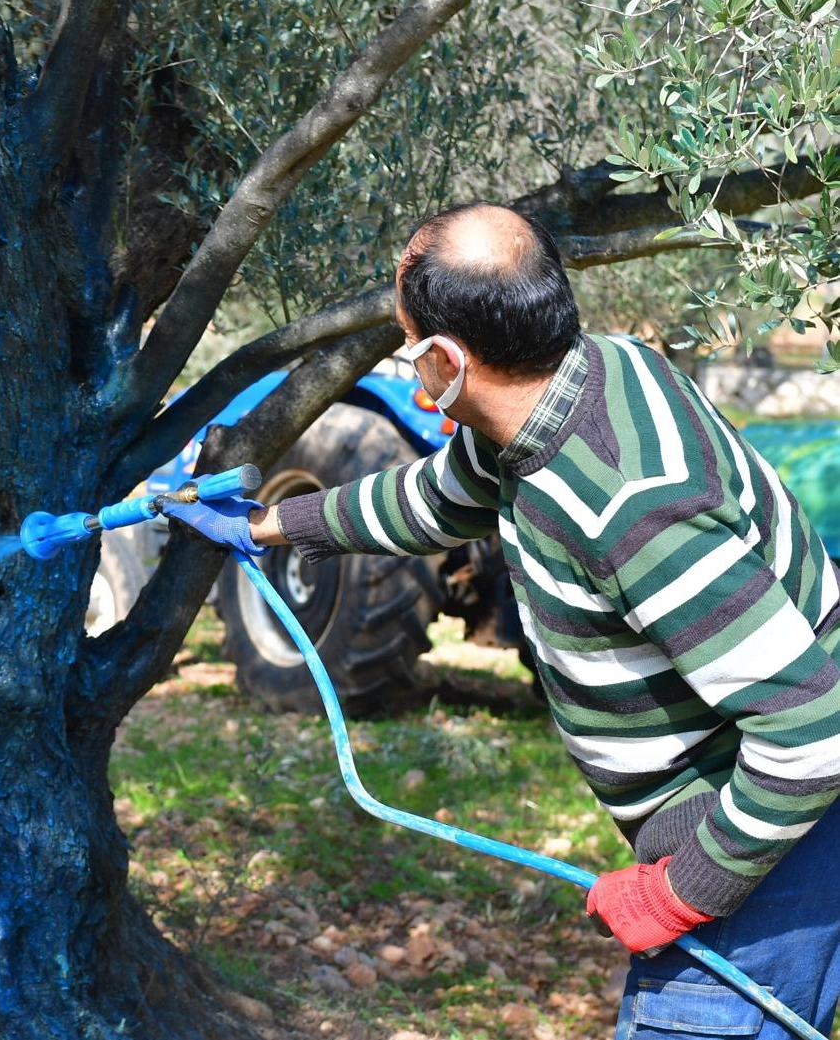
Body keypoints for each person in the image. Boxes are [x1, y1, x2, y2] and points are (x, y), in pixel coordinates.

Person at [162, 202, 840, 1039]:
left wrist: (680, 890)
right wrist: (269, 524)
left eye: (411, 351)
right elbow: (433, 500)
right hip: (764, 803)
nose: (409, 369)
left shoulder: (630, 508)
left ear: (448, 361)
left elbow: (811, 736)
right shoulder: (580, 381)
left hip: (770, 830)